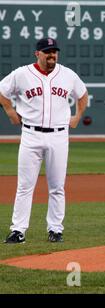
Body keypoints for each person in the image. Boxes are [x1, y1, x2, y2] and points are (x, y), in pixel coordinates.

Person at [0, 38, 88, 243]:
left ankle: (55, 229)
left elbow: (82, 95)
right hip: (31, 134)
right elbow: (2, 91)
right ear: (37, 54)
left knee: (57, 186)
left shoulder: (67, 74)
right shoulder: (22, 74)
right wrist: (10, 110)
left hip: (58, 135)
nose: (52, 55)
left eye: (54, 52)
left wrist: (77, 116)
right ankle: (18, 230)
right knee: (24, 186)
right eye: (47, 52)